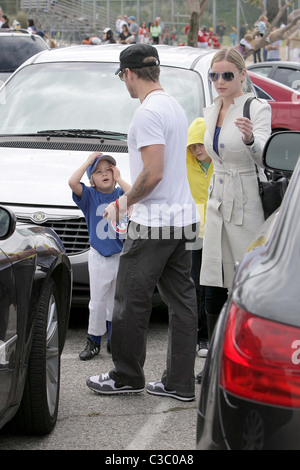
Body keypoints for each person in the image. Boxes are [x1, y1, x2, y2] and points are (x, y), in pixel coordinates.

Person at [86, 44, 200, 401]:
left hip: (154, 222)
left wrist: (121, 202)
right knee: (182, 304)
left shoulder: (147, 113)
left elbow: (153, 173)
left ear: (129, 74)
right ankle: (179, 383)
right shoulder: (175, 107)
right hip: (181, 219)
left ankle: (126, 376)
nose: (125, 82)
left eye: (123, 76)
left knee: (130, 301)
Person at [199, 47, 271, 351]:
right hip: (217, 201)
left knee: (244, 281)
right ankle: (217, 354)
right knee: (213, 281)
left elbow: (265, 155)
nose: (220, 81)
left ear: (243, 74)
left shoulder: (255, 108)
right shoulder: (212, 108)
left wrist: (251, 139)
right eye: (214, 75)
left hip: (246, 202)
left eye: (227, 74)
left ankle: (249, 351)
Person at [69, 153, 131, 360]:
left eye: (108, 170)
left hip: (120, 255)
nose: (104, 174)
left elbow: (136, 195)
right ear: (91, 179)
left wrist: (120, 177)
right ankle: (94, 339)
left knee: (116, 300)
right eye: (98, 172)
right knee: (97, 301)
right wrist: (87, 162)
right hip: (98, 256)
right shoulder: (89, 196)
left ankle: (114, 339)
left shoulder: (121, 194)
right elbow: (72, 182)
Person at [186, 117, 213, 359]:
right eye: (193, 145)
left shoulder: (222, 163)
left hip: (218, 232)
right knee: (195, 285)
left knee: (212, 286)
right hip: (194, 234)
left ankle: (208, 336)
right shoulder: (185, 167)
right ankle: (198, 337)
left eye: (201, 143)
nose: (197, 150)